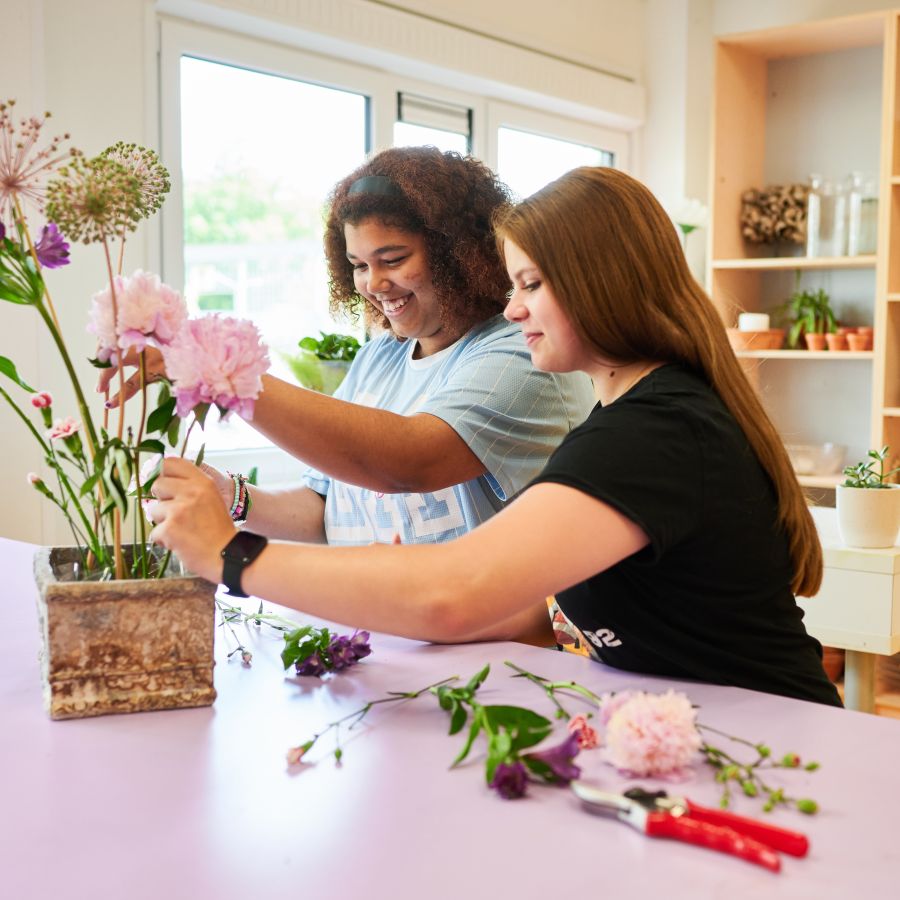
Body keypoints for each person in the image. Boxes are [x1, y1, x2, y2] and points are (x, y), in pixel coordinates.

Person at [147, 166, 842, 707]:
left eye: (532, 284)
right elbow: (495, 602)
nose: (512, 309)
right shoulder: (626, 419)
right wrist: (396, 587)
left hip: (778, 738)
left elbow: (455, 586)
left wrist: (232, 556)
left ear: (601, 283)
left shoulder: (656, 431)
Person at [103, 147, 594, 550]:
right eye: (358, 265)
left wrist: (216, 370)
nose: (375, 283)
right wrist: (229, 497)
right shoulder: (377, 359)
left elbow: (409, 461)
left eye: (393, 259)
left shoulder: (523, 355)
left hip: (492, 654)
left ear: (457, 256)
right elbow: (328, 511)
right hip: (381, 641)